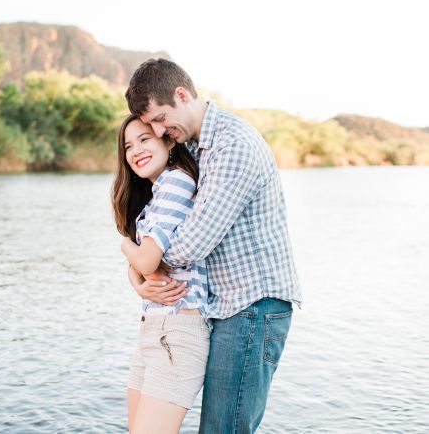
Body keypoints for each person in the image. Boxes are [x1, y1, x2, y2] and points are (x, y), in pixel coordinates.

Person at [124, 59, 303, 434]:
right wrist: (139, 271)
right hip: (224, 307)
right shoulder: (194, 147)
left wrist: (142, 262)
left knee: (225, 429)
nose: (158, 130)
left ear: (182, 95)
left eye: (159, 118)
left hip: (253, 305)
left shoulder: (232, 145)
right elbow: (164, 234)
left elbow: (189, 245)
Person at [111, 114, 210, 434]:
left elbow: (147, 261)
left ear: (168, 141)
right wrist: (137, 280)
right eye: (128, 146)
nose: (135, 150)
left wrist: (126, 247)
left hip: (177, 330)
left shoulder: (176, 181)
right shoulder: (155, 197)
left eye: (144, 139)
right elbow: (143, 267)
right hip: (154, 327)